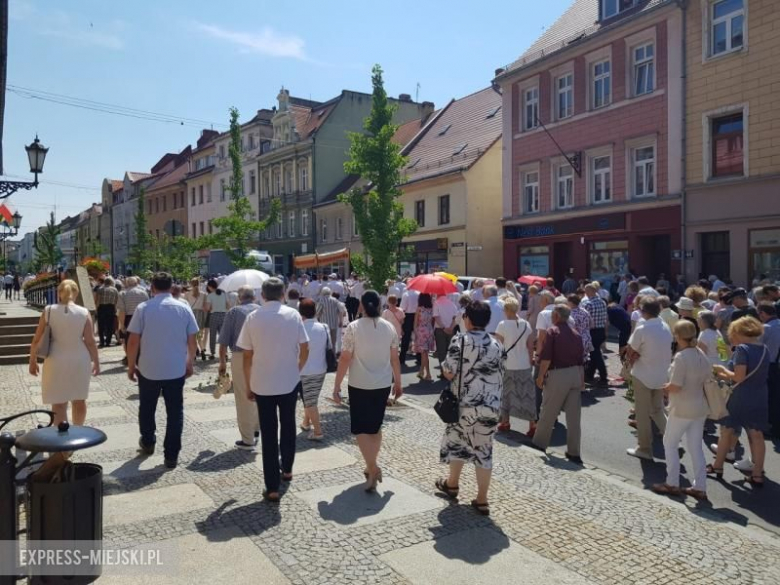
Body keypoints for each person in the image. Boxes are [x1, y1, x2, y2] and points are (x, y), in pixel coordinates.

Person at [238, 277, 309, 502]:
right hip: (288, 380)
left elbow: (247, 356)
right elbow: (305, 347)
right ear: (283, 294)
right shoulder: (293, 315)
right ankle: (287, 468)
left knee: (268, 433)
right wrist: (297, 368)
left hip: (262, 382)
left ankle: (272, 486)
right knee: (288, 425)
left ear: (262, 295)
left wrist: (248, 383)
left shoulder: (253, 317)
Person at [436, 300, 503, 516]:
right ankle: (482, 499)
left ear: (468, 319)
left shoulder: (460, 340)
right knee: (484, 451)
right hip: (490, 406)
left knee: (457, 443)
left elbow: (448, 372)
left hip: (464, 406)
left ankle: (452, 484)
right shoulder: (497, 344)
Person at [333, 290, 402, 492]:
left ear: (361, 305)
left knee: (361, 429)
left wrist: (336, 385)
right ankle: (371, 465)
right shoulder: (389, 327)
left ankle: (372, 468)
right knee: (375, 427)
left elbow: (345, 358)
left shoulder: (354, 327)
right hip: (382, 384)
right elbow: (395, 358)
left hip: (359, 383)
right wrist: (398, 383)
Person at [127, 272, 198, 469]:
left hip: (149, 367)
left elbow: (133, 341)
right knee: (175, 411)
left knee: (147, 407)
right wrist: (189, 362)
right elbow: (192, 340)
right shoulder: (183, 308)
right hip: (175, 367)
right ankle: (171, 454)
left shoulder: (144, 308)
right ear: (171, 286)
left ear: (152, 287)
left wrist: (131, 365)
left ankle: (148, 440)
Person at [651, 320, 711, 500]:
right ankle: (700, 486)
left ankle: (672, 483)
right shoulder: (700, 353)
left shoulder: (681, 357)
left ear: (677, 336)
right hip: (699, 406)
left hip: (682, 407)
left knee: (670, 443)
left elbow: (676, 386)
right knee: (696, 448)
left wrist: (665, 387)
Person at [29, 280, 100, 426]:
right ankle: (78, 431)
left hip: (55, 358)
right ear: (76, 294)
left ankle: (62, 436)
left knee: (59, 402)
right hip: (79, 358)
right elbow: (90, 341)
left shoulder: (48, 310)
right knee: (79, 400)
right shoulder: (84, 312)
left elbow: (36, 339)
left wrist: (32, 360)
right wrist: (97, 362)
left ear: (58, 293)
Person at [709, 317, 769, 487]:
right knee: (757, 435)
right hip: (759, 395)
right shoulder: (764, 349)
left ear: (738, 332)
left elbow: (739, 377)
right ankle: (757, 474)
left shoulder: (742, 349)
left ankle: (717, 466)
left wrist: (722, 371)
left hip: (741, 395)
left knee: (726, 431)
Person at [532, 305, 586, 463]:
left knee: (548, 410)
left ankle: (539, 443)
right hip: (575, 374)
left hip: (559, 374)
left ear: (556, 315)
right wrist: (582, 380)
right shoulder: (576, 333)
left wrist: (540, 376)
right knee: (574, 416)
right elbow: (581, 360)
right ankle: (574, 452)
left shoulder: (553, 331)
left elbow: (546, 358)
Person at [626, 298, 672, 460]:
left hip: (643, 374)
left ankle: (644, 448)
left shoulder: (642, 328)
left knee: (642, 413)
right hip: (661, 374)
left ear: (644, 312)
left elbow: (631, 349)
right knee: (657, 409)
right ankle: (672, 439)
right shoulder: (665, 326)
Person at [218, 285, 261, 450]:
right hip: (260, 355)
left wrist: (222, 362)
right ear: (254, 296)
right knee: (259, 392)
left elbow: (223, 340)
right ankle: (256, 428)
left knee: (243, 397)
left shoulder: (234, 312)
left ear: (239, 297)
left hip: (240, 355)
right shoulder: (261, 310)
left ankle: (248, 439)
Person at [495, 296, 534, 433]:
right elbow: (530, 346)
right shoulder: (526, 324)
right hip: (524, 364)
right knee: (527, 395)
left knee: (506, 394)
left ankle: (505, 422)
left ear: (506, 309)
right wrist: (530, 361)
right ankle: (532, 425)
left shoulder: (502, 325)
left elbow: (498, 347)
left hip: (508, 364)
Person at [299, 299, 329, 441]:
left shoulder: (300, 328)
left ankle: (318, 432)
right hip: (321, 367)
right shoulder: (323, 327)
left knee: (310, 401)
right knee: (311, 397)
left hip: (305, 369)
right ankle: (306, 422)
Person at [757, 303, 780, 437]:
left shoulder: (766, 328)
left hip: (771, 366)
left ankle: (772, 426)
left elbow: (756, 345)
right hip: (776, 363)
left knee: (771, 397)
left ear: (763, 313)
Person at [117, 277, 149, 366]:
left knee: (128, 339)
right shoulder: (144, 293)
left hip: (129, 318)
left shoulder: (123, 293)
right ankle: (141, 358)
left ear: (127, 283)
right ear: (136, 283)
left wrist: (122, 325)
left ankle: (130, 358)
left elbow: (122, 311)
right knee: (142, 339)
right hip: (142, 317)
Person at [582, 284, 608, 387]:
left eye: (586, 291)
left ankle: (603, 376)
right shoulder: (602, 302)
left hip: (592, 331)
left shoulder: (588, 304)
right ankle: (590, 374)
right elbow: (605, 318)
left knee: (596, 354)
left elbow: (585, 319)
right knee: (594, 353)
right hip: (601, 330)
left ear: (589, 292)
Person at [433, 291, 458, 374]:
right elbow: (455, 317)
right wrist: (451, 328)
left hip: (440, 329)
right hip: (451, 330)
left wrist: (443, 327)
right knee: (450, 351)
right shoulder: (452, 304)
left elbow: (436, 317)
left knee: (441, 351)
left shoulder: (436, 303)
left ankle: (444, 372)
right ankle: (450, 371)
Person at [413, 293, 435, 381]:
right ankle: (421, 371)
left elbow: (415, 323)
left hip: (421, 331)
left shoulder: (419, 309)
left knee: (424, 353)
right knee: (424, 353)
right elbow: (432, 321)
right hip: (429, 330)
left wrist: (415, 333)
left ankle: (428, 374)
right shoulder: (431, 309)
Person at [185, 278, 208, 360]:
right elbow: (205, 307)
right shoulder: (204, 294)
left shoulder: (187, 294)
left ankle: (194, 354)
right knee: (199, 336)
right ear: (199, 283)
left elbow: (185, 306)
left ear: (191, 284)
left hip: (191, 314)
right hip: (200, 314)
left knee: (192, 336)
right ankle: (202, 350)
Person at [204, 279, 227, 359]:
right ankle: (225, 353)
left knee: (212, 335)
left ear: (210, 287)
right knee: (223, 335)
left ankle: (212, 353)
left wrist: (208, 308)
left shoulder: (210, 296)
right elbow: (228, 305)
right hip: (223, 315)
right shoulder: (223, 294)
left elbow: (207, 308)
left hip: (214, 315)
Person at [567, 294, 593, 363]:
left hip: (576, 340)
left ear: (571, 302)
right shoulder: (585, 311)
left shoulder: (570, 314)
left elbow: (570, 329)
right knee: (584, 360)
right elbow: (591, 325)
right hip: (586, 338)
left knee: (575, 361)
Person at [94, 277, 119, 348]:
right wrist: (115, 308)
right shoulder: (115, 289)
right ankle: (108, 341)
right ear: (111, 282)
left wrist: (96, 308)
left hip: (102, 308)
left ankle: (102, 342)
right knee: (110, 325)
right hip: (111, 308)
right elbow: (116, 300)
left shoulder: (100, 289)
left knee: (101, 325)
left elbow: (97, 300)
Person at [399, 286, 420, 363]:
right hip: (417, 315)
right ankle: (419, 358)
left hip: (408, 316)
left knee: (406, 338)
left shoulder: (406, 294)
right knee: (417, 337)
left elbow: (402, 308)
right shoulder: (419, 294)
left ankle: (402, 358)